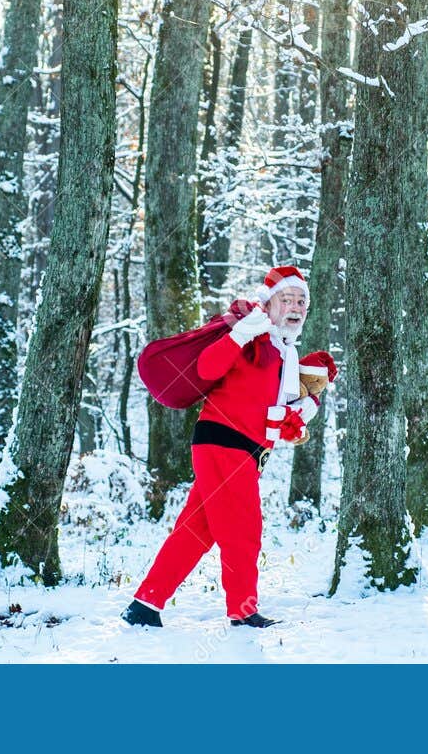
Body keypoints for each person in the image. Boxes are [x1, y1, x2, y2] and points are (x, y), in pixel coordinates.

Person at [121, 265, 337, 629]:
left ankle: (144, 604)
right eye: (287, 299)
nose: (295, 306)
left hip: (247, 451)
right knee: (243, 529)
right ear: (269, 304)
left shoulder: (283, 352)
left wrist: (306, 407)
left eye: (301, 300)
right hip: (224, 442)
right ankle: (243, 609)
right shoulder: (254, 335)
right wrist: (239, 334)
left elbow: (274, 419)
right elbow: (207, 368)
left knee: (195, 531)